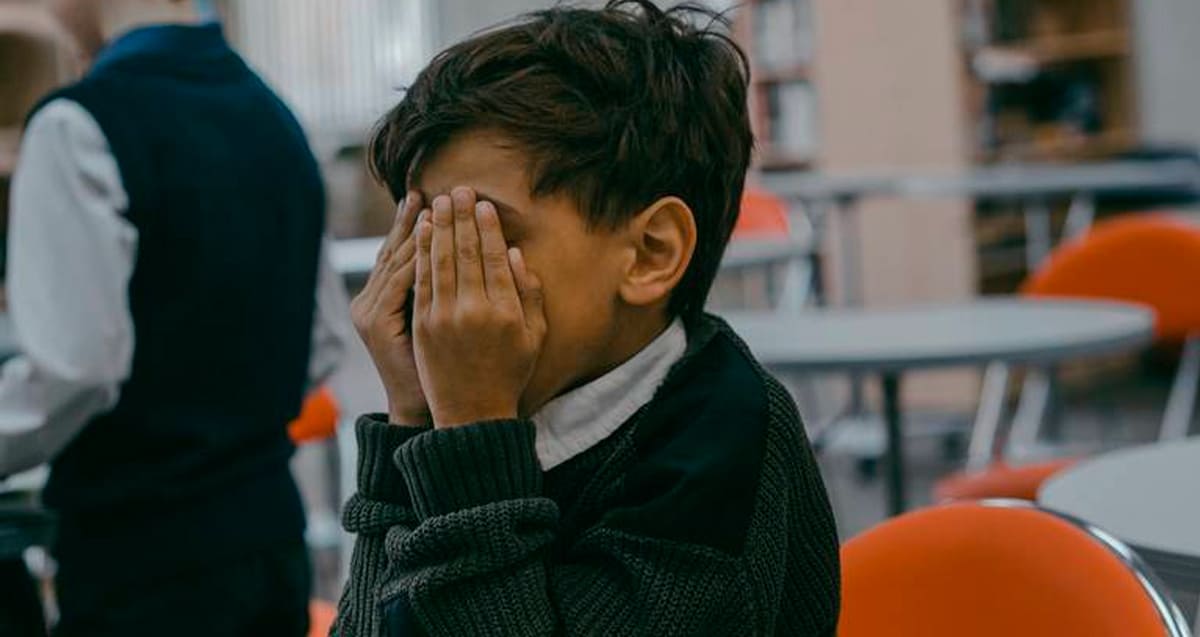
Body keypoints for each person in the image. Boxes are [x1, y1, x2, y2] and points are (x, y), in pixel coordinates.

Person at [337, 1, 840, 635]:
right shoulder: (513, 397)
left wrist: (472, 437)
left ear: (650, 253)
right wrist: (411, 422)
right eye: (423, 234)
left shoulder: (721, 449)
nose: (434, 286)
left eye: (484, 237)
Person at [0, 0, 351, 635]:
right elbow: (322, 340)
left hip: (144, 566)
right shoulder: (273, 114)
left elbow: (75, 372)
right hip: (272, 546)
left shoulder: (76, 125)